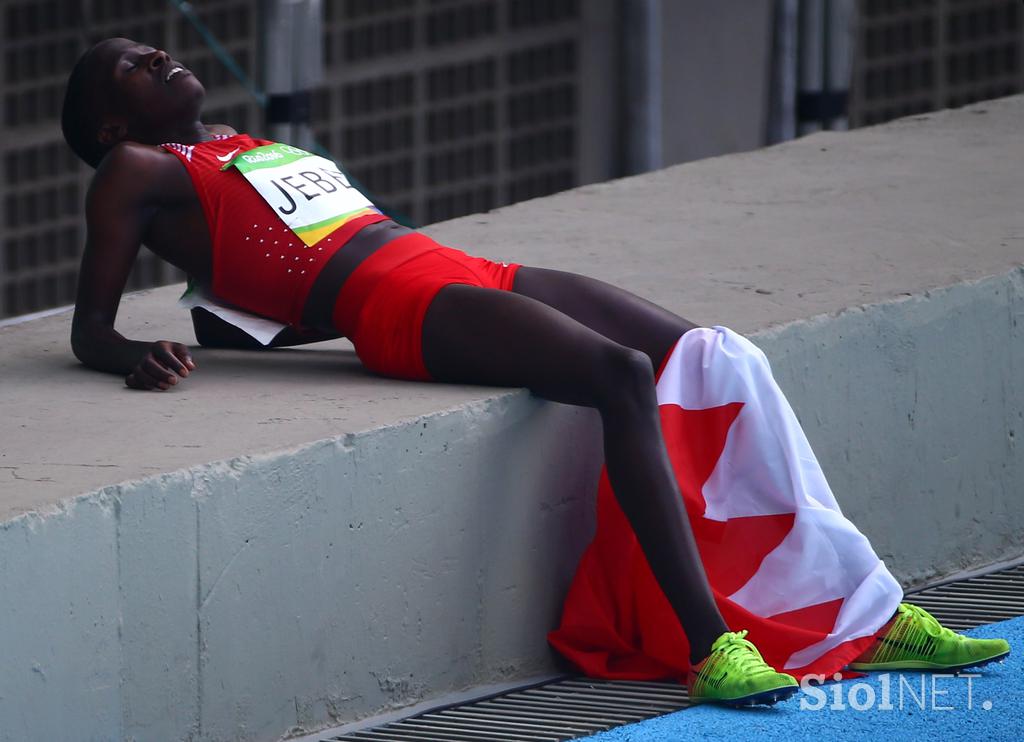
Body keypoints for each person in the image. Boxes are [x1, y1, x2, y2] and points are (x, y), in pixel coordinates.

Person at [61, 37, 1009, 707]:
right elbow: (88, 329)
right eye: (130, 67)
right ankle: (710, 645)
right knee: (620, 375)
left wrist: (239, 321)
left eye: (152, 46)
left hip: (455, 267)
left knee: (719, 354)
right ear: (110, 126)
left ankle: (863, 606)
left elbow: (272, 277)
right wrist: (134, 354)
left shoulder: (233, 150)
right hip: (401, 309)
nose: (156, 57)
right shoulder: (135, 172)